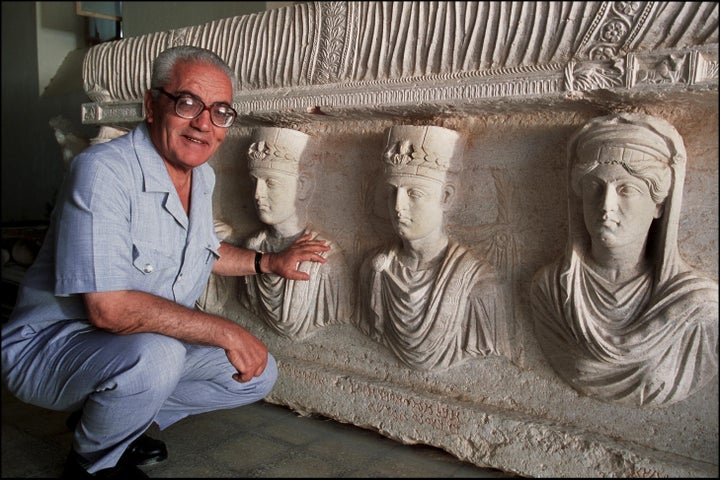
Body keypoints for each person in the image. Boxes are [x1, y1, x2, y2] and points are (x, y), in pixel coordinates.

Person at [0, 45, 330, 479]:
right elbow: (109, 309)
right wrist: (224, 330)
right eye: (188, 102)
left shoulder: (201, 175)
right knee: (157, 356)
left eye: (219, 112)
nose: (203, 124)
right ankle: (92, 465)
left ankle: (113, 421)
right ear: (152, 106)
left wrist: (269, 263)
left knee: (257, 373)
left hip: (133, 347)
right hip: (50, 346)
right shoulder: (102, 171)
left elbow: (199, 249)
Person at [531, 112, 718, 407]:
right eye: (594, 186)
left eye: (626, 189)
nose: (606, 206)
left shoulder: (698, 308)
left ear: (658, 205)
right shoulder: (551, 291)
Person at [356, 125, 511, 371]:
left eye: (414, 194)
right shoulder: (374, 269)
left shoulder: (478, 285)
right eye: (392, 192)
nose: (398, 207)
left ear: (446, 197)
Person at [240, 127, 353, 340]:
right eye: (254, 182)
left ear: (302, 186)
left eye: (270, 183)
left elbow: (338, 315)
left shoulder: (326, 260)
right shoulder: (253, 246)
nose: (258, 194)